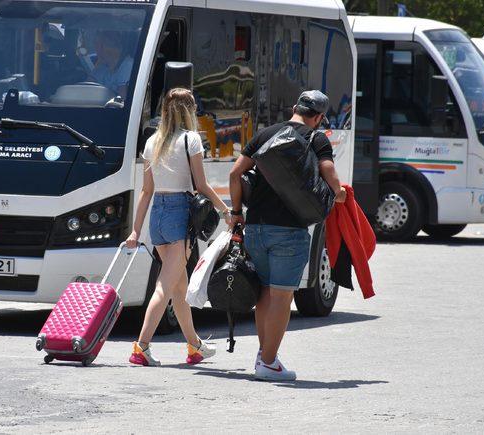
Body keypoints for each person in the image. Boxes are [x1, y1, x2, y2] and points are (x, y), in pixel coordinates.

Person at [228, 90, 347, 381]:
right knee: (282, 296)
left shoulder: (265, 134)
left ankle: (265, 355)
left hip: (256, 227)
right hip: (289, 231)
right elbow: (327, 167)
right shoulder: (315, 138)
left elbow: (234, 174)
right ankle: (268, 362)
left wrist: (235, 213)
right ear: (318, 117)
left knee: (265, 293)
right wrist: (339, 190)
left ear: (294, 107)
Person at [126, 87, 232, 366]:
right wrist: (226, 211)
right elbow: (201, 185)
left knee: (178, 286)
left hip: (157, 217)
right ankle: (141, 347)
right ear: (188, 110)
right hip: (178, 214)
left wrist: (136, 230)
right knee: (165, 286)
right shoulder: (191, 140)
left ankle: (194, 346)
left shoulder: (153, 142)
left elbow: (146, 191)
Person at [77, 30, 133, 97]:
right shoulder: (102, 67)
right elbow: (84, 90)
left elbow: (123, 98)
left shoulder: (127, 66)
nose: (96, 50)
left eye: (97, 45)